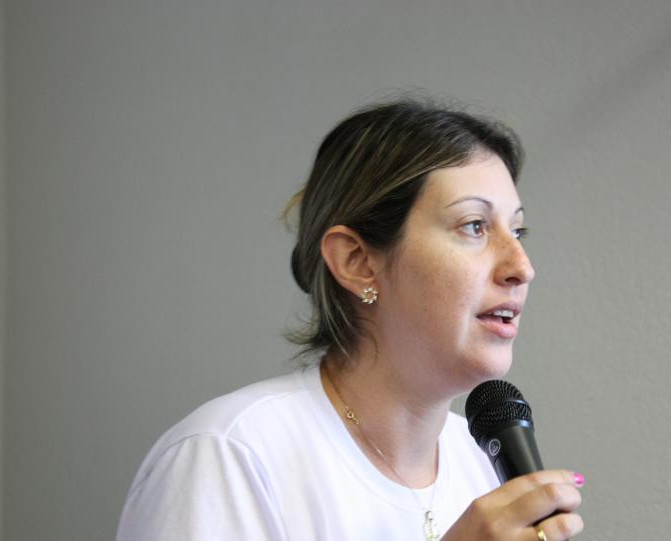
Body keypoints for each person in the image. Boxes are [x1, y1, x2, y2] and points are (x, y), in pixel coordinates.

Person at [116, 98, 585, 540]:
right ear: (357, 262)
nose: (522, 267)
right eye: (474, 226)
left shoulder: (481, 463)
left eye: (518, 230)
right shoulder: (229, 455)